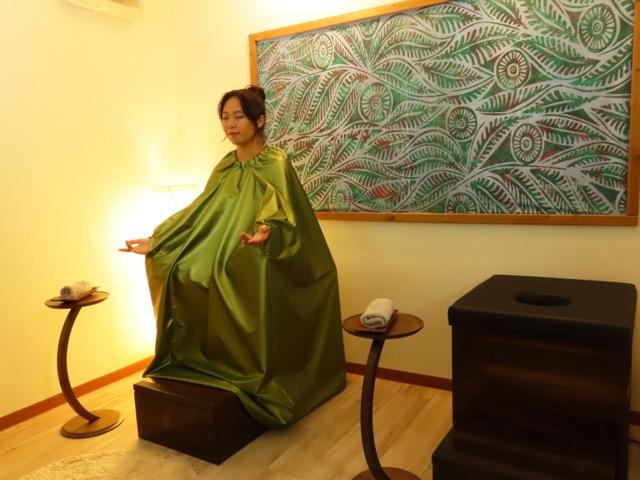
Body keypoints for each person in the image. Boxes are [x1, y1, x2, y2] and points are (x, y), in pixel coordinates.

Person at [120, 86, 346, 428]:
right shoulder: (225, 165)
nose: (230, 124)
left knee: (231, 274)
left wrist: (268, 232)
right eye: (225, 117)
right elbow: (200, 211)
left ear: (259, 120)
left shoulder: (275, 162)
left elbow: (284, 213)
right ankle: (202, 362)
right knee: (179, 269)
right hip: (224, 246)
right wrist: (159, 241)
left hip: (263, 251)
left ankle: (249, 369)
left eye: (238, 116)